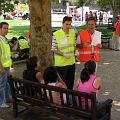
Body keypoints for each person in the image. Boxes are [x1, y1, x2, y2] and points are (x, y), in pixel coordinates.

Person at [51, 16, 76, 90]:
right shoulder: (56, 34)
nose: (68, 26)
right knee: (62, 83)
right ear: (62, 24)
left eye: (69, 24)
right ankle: (61, 99)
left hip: (71, 61)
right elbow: (53, 48)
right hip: (61, 63)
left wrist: (76, 52)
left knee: (70, 82)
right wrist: (63, 54)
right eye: (66, 24)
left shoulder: (72, 32)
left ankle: (70, 98)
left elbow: (74, 44)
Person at [0, 22, 12, 108]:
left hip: (7, 66)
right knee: (2, 85)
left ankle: (8, 98)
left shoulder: (5, 39)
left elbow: (7, 54)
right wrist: (1, 67)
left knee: (7, 83)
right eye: (4, 28)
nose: (6, 30)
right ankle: (1, 102)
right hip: (3, 67)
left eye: (7, 28)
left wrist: (12, 62)